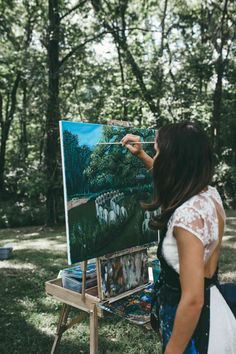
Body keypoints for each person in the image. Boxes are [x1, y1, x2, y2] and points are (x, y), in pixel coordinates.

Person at [121, 122, 236, 354]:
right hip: (213, 308)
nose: (157, 156)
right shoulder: (208, 194)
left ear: (173, 161)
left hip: (192, 324)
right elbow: (174, 181)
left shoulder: (187, 218)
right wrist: (142, 155)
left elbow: (192, 300)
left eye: (158, 151)